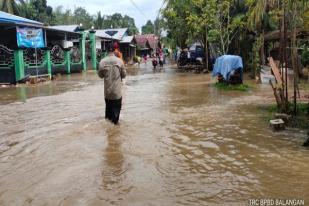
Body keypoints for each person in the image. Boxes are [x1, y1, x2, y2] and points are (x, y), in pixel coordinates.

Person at [98, 42, 126, 125]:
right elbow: (124, 75)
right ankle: (115, 134)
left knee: (108, 117)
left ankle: (109, 135)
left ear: (106, 50)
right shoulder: (119, 61)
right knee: (115, 119)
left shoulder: (102, 62)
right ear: (114, 50)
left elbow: (100, 76)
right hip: (117, 93)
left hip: (107, 93)